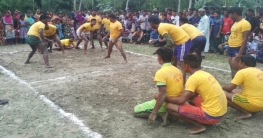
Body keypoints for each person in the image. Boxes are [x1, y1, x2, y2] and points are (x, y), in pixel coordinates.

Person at [166, 54, 227, 134]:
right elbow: (193, 95)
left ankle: (199, 125)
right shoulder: (205, 74)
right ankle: (197, 116)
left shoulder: (193, 78)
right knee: (191, 98)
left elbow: (181, 100)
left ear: (186, 66)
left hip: (211, 116)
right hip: (221, 113)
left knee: (169, 106)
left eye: (182, 64)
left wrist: (165, 97)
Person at [134, 47, 183, 126]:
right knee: (156, 96)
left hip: (166, 103)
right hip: (176, 102)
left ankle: (163, 113)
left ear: (159, 58)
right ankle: (170, 113)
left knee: (136, 111)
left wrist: (154, 113)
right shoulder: (178, 70)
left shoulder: (161, 72)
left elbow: (162, 94)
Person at [148, 15, 191, 83]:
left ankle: (182, 84)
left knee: (181, 63)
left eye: (149, 23)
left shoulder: (161, 27)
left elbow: (170, 42)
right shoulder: (162, 25)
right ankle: (173, 77)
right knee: (173, 59)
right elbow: (171, 41)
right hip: (178, 42)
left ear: (152, 23)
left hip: (183, 41)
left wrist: (160, 50)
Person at [227, 7, 251, 78]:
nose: (230, 16)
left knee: (237, 69)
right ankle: (234, 85)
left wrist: (240, 53)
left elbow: (245, 38)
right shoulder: (235, 23)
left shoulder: (245, 23)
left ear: (235, 13)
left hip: (237, 48)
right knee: (232, 68)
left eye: (230, 14)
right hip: (231, 47)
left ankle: (240, 87)